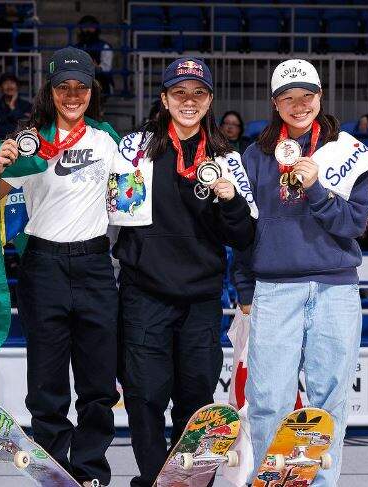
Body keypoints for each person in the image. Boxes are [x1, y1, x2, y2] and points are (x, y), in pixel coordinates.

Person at [113, 57, 256, 487]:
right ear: (164, 98)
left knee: (196, 401)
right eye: (179, 93)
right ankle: (156, 479)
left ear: (209, 100)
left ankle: (192, 481)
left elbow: (245, 234)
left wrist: (229, 198)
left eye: (198, 94)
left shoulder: (227, 157)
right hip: (143, 293)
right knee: (143, 396)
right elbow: (110, 213)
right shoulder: (133, 147)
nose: (188, 102)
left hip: (200, 298)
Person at [231, 59, 368, 487]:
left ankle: (322, 484)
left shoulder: (346, 151)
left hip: (336, 289)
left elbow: (352, 224)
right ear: (275, 104)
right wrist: (244, 286)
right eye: (288, 98)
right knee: (268, 399)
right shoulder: (253, 157)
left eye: (306, 97)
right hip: (274, 289)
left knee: (329, 401)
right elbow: (244, 230)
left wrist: (316, 189)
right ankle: (268, 482)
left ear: (320, 97)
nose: (298, 106)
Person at [0, 47, 120, 486]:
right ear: (50, 91)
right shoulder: (27, 143)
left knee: (98, 383)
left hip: (94, 263)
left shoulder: (107, 139)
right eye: (63, 87)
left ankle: (90, 472)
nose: (72, 95)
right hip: (42, 264)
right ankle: (53, 471)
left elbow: (130, 201)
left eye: (80, 87)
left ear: (92, 90)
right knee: (46, 384)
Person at [75, 15, 114, 95]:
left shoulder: (104, 46)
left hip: (100, 81)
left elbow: (107, 67)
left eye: (91, 27)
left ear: (96, 28)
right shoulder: (76, 48)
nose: (88, 30)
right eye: (85, 27)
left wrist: (96, 68)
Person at [0, 73, 32, 143]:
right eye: (5, 83)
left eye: (12, 83)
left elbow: (28, 127)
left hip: (21, 143)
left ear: (17, 86)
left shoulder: (27, 106)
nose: (9, 86)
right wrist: (14, 130)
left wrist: (13, 108)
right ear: (0, 87)